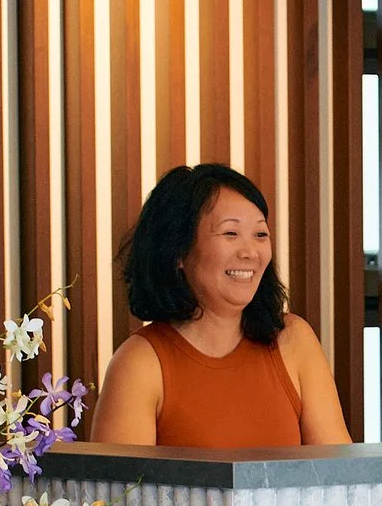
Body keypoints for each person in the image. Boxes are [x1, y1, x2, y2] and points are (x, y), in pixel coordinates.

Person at [93, 164, 353, 447]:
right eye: (230, 233)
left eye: (260, 234)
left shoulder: (294, 338)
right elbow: (121, 491)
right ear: (177, 251)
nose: (250, 252)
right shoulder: (138, 363)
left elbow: (338, 482)